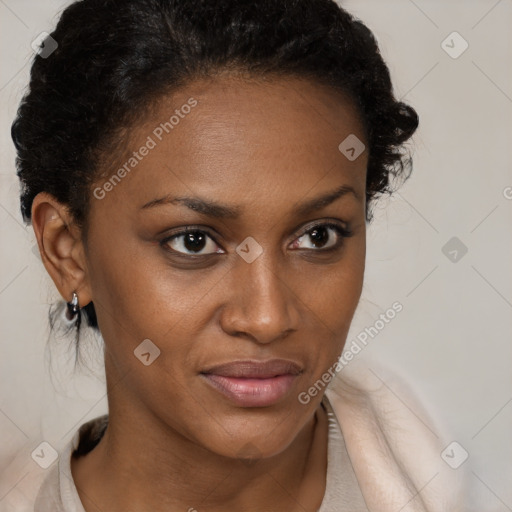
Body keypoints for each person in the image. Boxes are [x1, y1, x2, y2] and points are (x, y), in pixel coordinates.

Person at [9, 0, 465, 510]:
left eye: (318, 236)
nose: (267, 318)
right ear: (68, 252)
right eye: (194, 241)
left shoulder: (441, 476)